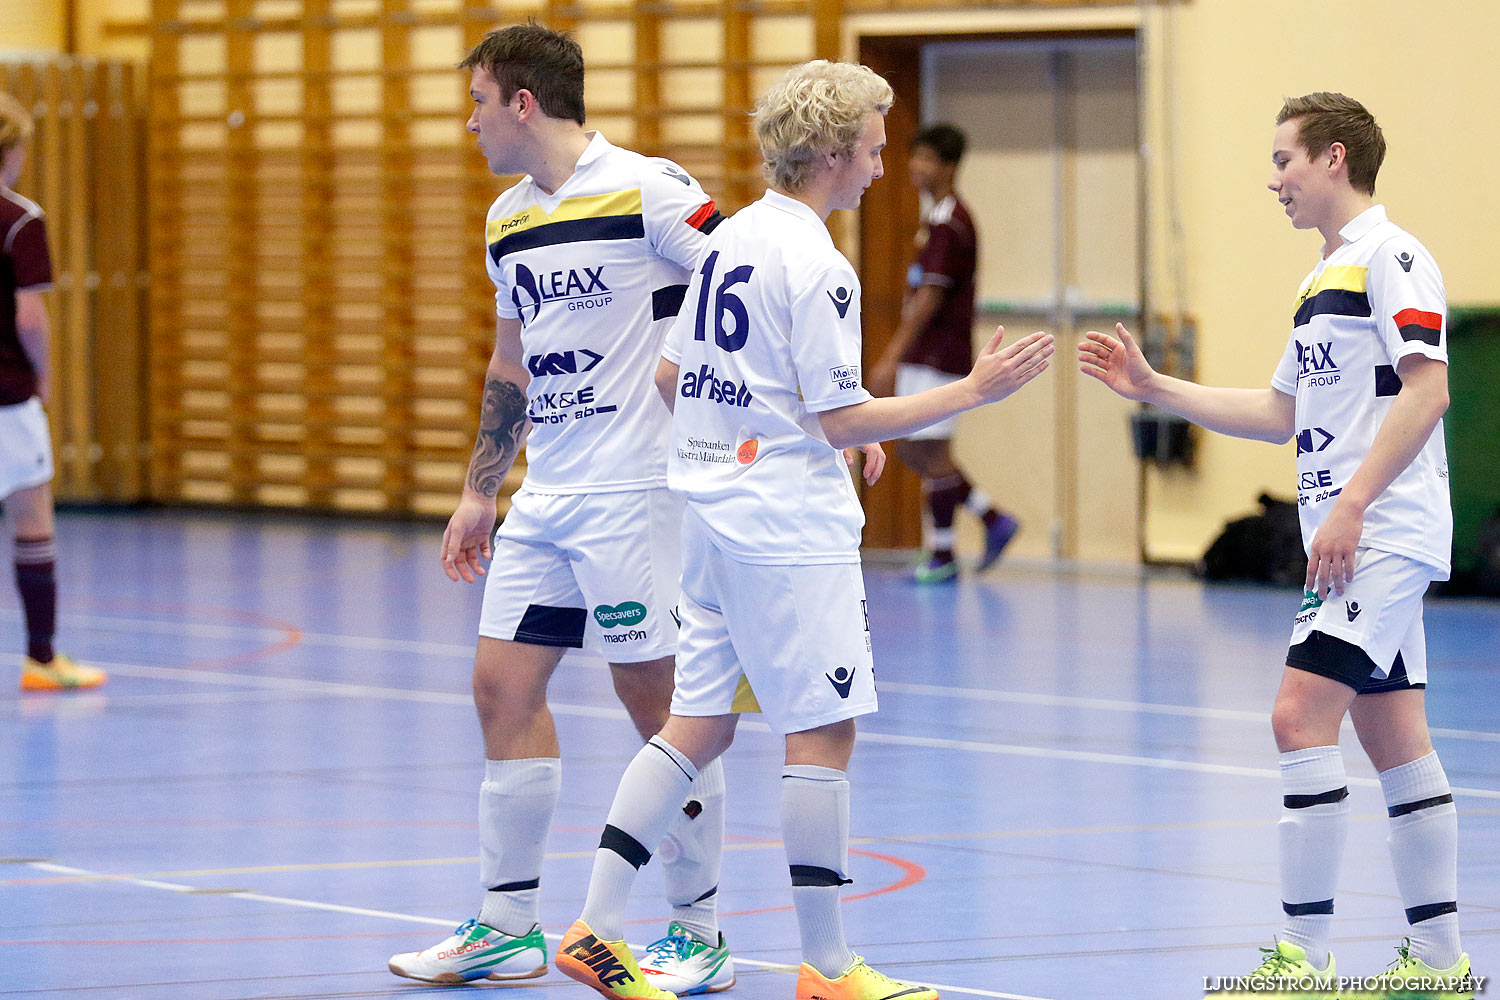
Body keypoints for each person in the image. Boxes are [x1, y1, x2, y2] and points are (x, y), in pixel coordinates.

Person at [556, 60, 1053, 1000]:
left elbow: (673, 382)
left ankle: (596, 922)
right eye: (870, 148)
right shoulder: (818, 265)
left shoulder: (728, 241)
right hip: (785, 533)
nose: (877, 166)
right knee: (821, 733)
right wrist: (973, 392)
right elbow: (836, 418)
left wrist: (799, 431)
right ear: (831, 153)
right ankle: (826, 968)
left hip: (706, 517)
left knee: (694, 726)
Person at [1079, 93, 1473, 997]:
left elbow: (1429, 390)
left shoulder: (1393, 258)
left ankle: (1303, 961)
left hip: (1379, 534)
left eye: (1285, 160)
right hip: (1349, 537)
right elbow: (1279, 415)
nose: (1273, 179)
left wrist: (1354, 505)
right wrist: (1153, 386)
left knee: (1297, 719)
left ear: (1335, 159)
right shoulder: (1318, 279)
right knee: (1396, 739)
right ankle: (1442, 965)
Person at [386, 24, 737, 992]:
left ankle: (699, 933)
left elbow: (746, 275)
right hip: (549, 494)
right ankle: (507, 925)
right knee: (501, 686)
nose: (471, 122)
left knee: (658, 706)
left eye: (479, 102)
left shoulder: (647, 189)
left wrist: (699, 375)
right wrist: (479, 487)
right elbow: (511, 361)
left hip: (638, 495)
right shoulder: (507, 219)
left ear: (524, 104)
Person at [869, 123, 1017, 584]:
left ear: (950, 167)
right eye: (914, 156)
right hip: (926, 354)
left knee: (927, 449)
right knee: (917, 449)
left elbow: (930, 299)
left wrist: (892, 354)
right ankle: (990, 519)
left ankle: (945, 552)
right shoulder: (934, 217)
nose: (916, 165)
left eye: (928, 158)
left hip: (939, 354)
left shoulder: (953, 224)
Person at [0, 93, 104, 693]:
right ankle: (41, 659)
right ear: (10, 151)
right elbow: (30, 317)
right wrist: (40, 376)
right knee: (32, 519)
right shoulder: (19, 218)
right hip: (6, 396)